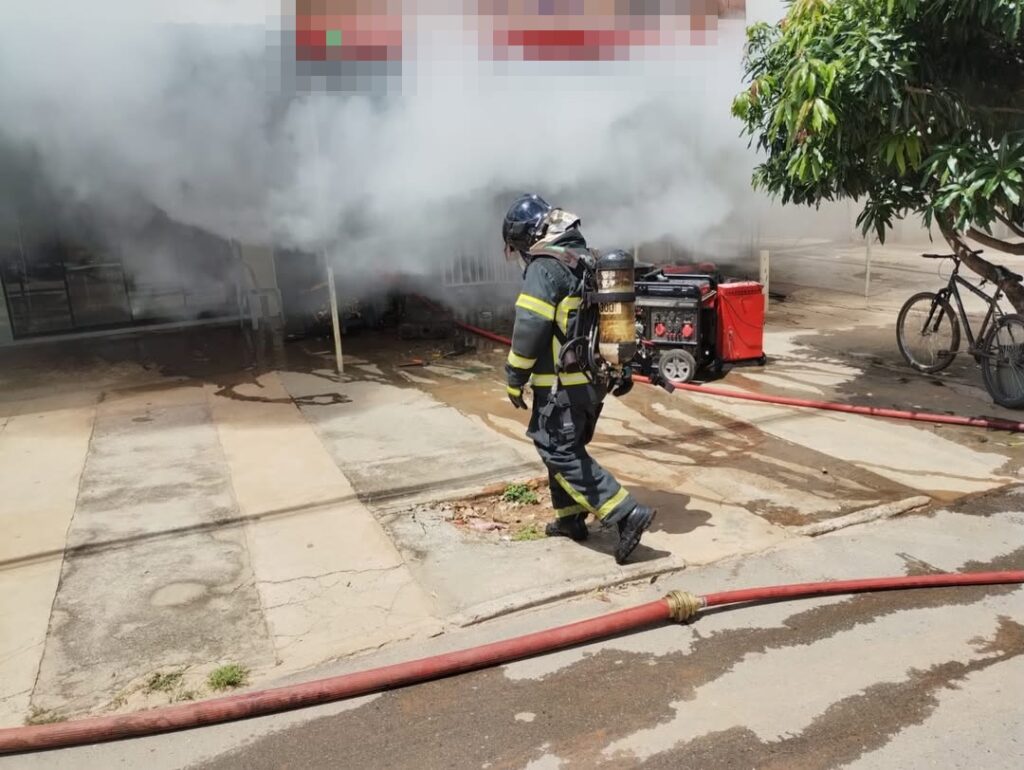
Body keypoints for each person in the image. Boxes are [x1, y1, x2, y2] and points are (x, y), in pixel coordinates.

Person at [501, 193, 656, 564]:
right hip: (592, 382)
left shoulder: (545, 266)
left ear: (528, 238)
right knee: (565, 449)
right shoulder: (585, 259)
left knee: (558, 448)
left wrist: (514, 375)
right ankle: (570, 520)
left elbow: (531, 325)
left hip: (561, 386)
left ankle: (625, 513)